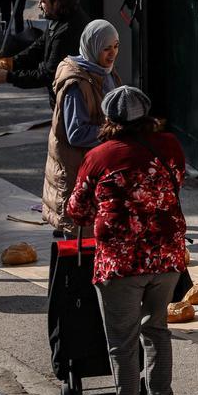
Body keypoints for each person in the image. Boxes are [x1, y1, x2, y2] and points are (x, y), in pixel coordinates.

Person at [65, 86, 187, 395]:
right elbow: (176, 184)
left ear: (109, 119)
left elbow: (78, 209)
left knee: (122, 341)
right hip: (166, 256)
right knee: (157, 329)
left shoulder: (100, 156)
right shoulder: (169, 145)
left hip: (120, 263)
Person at [42, 20, 121, 235]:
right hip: (77, 173)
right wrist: (113, 133)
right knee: (81, 242)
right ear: (92, 47)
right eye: (106, 48)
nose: (112, 53)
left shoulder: (105, 73)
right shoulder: (76, 84)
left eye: (116, 46)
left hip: (96, 171)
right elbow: (76, 134)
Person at [0, 0, 87, 106]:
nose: (39, 5)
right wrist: (5, 64)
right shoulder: (58, 18)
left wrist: (9, 76)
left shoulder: (68, 31)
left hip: (71, 101)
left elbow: (48, 75)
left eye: (43, 1)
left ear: (57, 3)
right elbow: (36, 49)